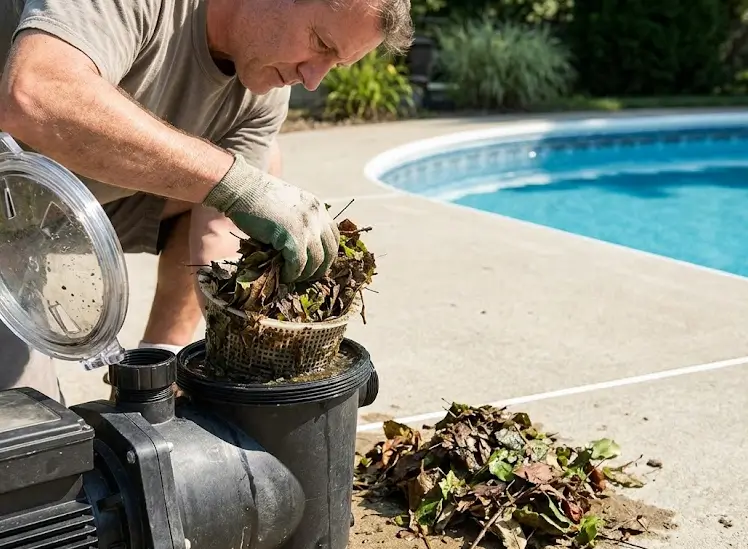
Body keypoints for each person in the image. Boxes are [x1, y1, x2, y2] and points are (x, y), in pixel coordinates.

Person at [0, 0, 413, 403]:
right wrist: (236, 183)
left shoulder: (265, 91)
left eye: (335, 65)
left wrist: (254, 329)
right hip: (12, 197)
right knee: (25, 437)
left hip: (65, 203)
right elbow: (36, 94)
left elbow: (220, 230)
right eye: (321, 43)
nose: (313, 79)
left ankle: (159, 359)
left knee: (260, 166)